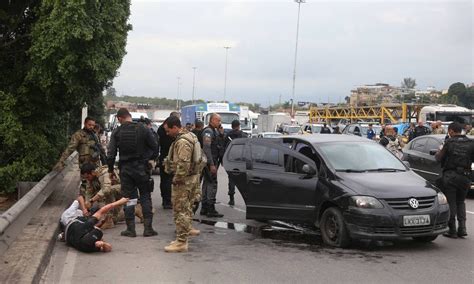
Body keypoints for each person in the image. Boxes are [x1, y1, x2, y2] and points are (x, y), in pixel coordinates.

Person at [107, 108, 159, 238]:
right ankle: (148, 229)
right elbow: (155, 146)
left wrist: (110, 170)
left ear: (119, 119)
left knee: (128, 198)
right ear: (129, 116)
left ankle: (130, 229)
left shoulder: (117, 131)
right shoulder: (143, 128)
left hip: (126, 170)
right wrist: (148, 159)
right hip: (142, 168)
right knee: (146, 196)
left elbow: (111, 154)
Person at [162, 116, 202, 252]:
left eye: (168, 131)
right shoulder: (190, 136)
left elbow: (183, 164)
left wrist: (177, 179)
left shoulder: (183, 142)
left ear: (175, 127)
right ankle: (185, 233)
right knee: (187, 208)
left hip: (184, 181)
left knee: (180, 210)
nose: (167, 134)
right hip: (192, 179)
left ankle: (181, 241)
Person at [435, 122, 474, 238]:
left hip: (451, 176)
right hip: (466, 176)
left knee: (451, 202)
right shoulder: (471, 143)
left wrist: (439, 151)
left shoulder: (449, 142)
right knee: (461, 201)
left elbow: (438, 158)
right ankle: (462, 228)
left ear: (451, 131)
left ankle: (452, 229)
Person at [60, 197, 129, 253]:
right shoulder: (87, 226)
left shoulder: (87, 226)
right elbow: (108, 248)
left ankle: (62, 236)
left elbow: (80, 198)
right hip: (70, 231)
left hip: (70, 224)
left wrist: (120, 201)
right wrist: (103, 244)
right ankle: (62, 236)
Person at [78, 163, 122, 229]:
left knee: (107, 191)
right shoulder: (91, 178)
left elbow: (106, 189)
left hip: (122, 191)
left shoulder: (105, 173)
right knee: (115, 218)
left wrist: (92, 200)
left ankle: (109, 221)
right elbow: (88, 192)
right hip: (114, 196)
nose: (87, 179)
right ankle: (133, 211)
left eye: (88, 177)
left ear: (92, 172)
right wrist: (86, 205)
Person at [200, 113, 224, 217]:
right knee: (212, 184)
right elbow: (206, 148)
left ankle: (204, 207)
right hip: (210, 162)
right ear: (212, 120)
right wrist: (211, 164)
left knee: (207, 183)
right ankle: (210, 208)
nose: (219, 123)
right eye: (218, 121)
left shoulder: (214, 131)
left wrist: (221, 134)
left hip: (213, 161)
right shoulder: (208, 132)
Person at [157, 112, 180, 209]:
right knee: (167, 180)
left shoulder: (161, 129)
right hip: (168, 157)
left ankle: (166, 200)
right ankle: (167, 200)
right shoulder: (165, 130)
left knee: (165, 180)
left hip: (165, 156)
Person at [224, 120, 248, 206]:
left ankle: (231, 199)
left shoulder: (228, 136)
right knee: (244, 181)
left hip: (231, 161)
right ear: (239, 126)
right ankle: (247, 200)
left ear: (231, 126)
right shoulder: (244, 135)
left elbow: (224, 148)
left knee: (231, 180)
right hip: (242, 161)